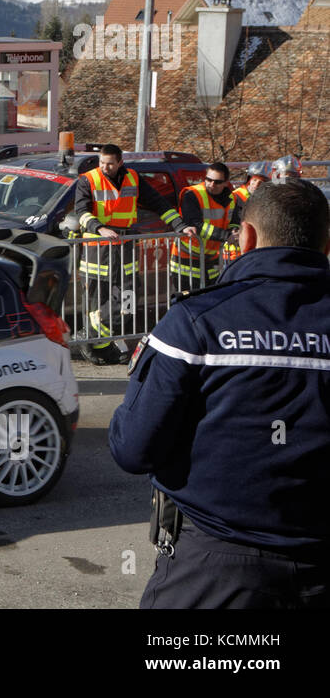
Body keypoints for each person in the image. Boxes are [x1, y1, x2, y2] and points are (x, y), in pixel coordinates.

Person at [109, 179, 330, 608]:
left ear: (245, 237)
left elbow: (132, 449)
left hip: (215, 572)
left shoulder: (196, 321)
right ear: (326, 243)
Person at [71, 143, 196, 364]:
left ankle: (88, 335)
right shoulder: (88, 179)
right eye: (102, 163)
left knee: (127, 300)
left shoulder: (134, 178)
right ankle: (100, 347)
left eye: (110, 163)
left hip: (125, 246)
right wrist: (99, 228)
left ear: (120, 162)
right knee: (96, 302)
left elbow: (159, 204)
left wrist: (179, 225)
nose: (105, 167)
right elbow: (81, 211)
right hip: (97, 250)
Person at [168, 162, 238, 287]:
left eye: (217, 182)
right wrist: (226, 236)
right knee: (186, 302)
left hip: (212, 259)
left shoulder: (231, 199)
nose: (211, 184)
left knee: (210, 301)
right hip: (187, 257)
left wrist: (234, 230)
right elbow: (195, 224)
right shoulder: (192, 194)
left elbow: (234, 221)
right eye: (208, 180)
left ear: (226, 183)